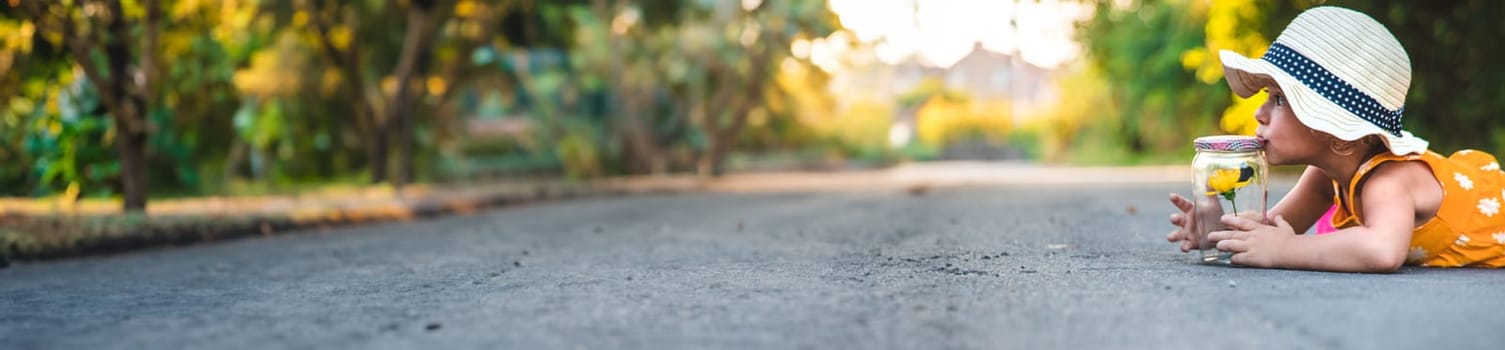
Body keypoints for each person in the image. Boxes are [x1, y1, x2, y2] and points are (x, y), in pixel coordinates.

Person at [1164, 6, 1505, 272]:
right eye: (1268, 96)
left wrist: (1285, 250)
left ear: (1340, 136)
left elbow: (1383, 250)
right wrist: (1216, 233)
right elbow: (1272, 230)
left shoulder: (1390, 180)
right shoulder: (1326, 174)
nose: (1259, 113)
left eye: (1280, 99)